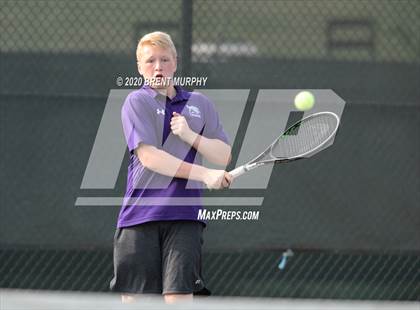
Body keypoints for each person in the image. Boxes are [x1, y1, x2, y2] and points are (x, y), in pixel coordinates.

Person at [109, 31, 232, 304]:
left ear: (175, 63)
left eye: (164, 59)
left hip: (185, 216)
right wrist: (205, 174)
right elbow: (150, 157)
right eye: (150, 60)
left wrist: (190, 136)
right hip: (139, 217)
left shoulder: (200, 103)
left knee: (179, 300)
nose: (158, 66)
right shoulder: (136, 102)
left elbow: (223, 155)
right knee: (137, 303)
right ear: (139, 67)